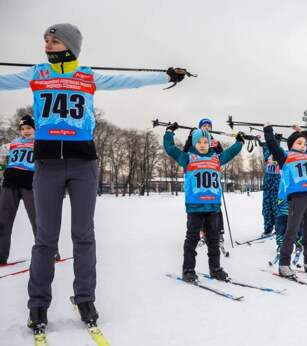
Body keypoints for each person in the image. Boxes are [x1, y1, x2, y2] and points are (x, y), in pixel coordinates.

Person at [0, 23, 189, 333]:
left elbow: (128, 80)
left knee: (83, 234)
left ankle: (86, 297)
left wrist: (165, 75)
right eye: (45, 40)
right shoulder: (37, 73)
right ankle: (38, 303)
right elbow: (4, 82)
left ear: (70, 45)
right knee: (45, 238)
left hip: (82, 164)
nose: (47, 44)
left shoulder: (88, 75)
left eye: (54, 40)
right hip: (47, 164)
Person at [164, 122, 243, 282]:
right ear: (194, 143)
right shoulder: (187, 158)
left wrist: (240, 141)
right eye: (199, 142)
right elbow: (170, 149)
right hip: (195, 207)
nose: (202, 145)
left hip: (213, 206)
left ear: (210, 143)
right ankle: (188, 270)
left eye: (205, 142)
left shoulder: (216, 159)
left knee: (213, 239)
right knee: (192, 238)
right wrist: (169, 132)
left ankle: (215, 268)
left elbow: (231, 152)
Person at [264, 124, 307, 278]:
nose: (303, 146)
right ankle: (284, 264)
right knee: (291, 231)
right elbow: (272, 145)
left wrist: (302, 133)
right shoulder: (285, 157)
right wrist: (268, 130)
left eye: (304, 144)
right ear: (291, 145)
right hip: (297, 198)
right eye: (299, 143)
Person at [0, 116, 39, 264]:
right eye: (23, 129)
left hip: (30, 183)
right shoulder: (14, 143)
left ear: (35, 129)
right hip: (10, 183)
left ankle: (50, 253)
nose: (26, 131)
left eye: (29, 128)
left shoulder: (40, 142)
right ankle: (1, 256)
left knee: (38, 219)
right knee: (3, 220)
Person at [261, 141, 281, 236]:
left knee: (277, 209)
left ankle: (279, 229)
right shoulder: (267, 154)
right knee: (266, 210)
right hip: (267, 187)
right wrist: (264, 144)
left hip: (277, 188)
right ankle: (267, 229)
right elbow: (266, 153)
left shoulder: (280, 153)